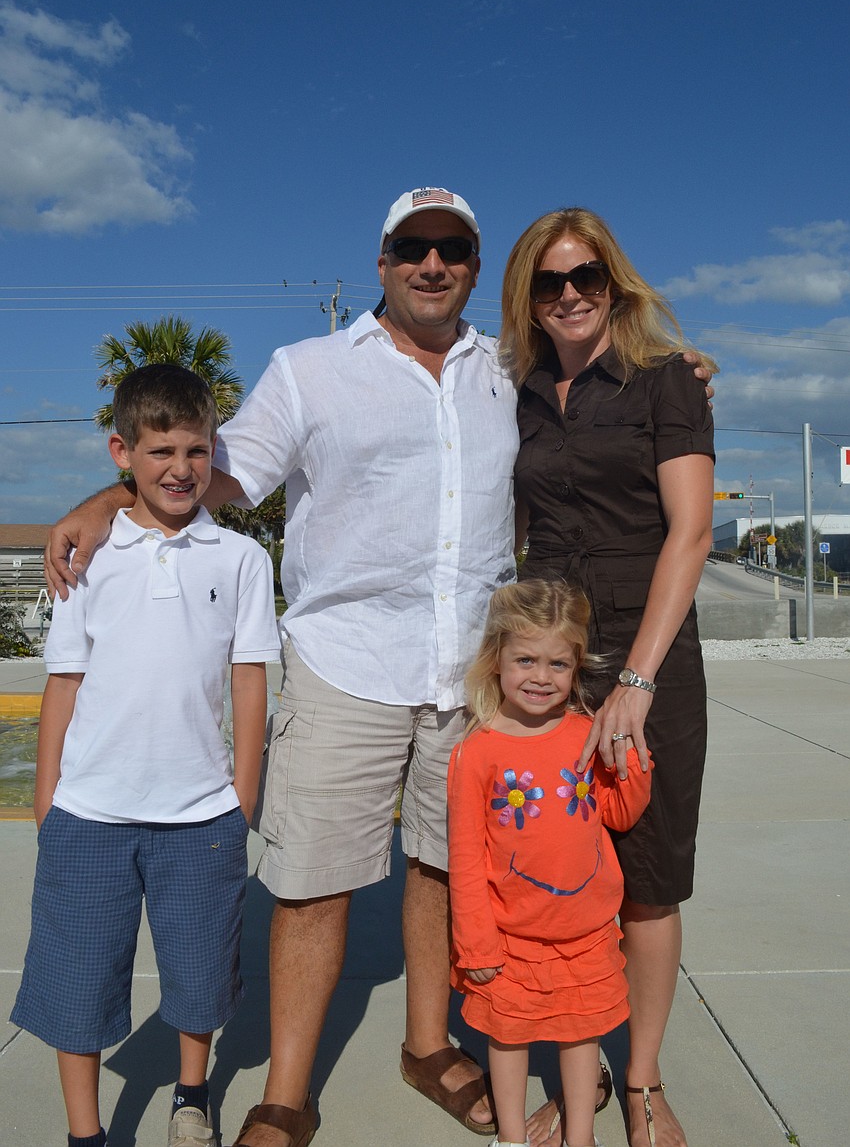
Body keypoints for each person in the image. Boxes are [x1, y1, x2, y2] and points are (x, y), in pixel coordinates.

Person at [44, 190, 712, 1147]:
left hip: (468, 676)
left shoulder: (509, 370)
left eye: (453, 248)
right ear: (384, 260)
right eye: (413, 247)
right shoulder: (310, 370)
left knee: (446, 866)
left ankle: (430, 1045)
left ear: (479, 268)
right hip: (343, 663)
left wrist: (683, 368)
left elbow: (616, 386)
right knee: (314, 881)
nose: (432, 264)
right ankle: (285, 1090)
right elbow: (215, 471)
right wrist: (109, 494)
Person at [13, 364, 280, 1147]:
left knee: (200, 978)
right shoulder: (85, 560)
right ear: (121, 451)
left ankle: (191, 1096)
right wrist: (45, 799)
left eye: (197, 449)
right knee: (77, 983)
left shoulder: (240, 561)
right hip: (89, 814)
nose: (180, 467)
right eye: (160, 449)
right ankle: (86, 1131)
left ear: (213, 452)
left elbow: (249, 682)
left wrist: (242, 797)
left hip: (200, 817)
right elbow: (63, 685)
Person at [500, 209, 715, 1147]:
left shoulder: (669, 380)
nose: (571, 294)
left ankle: (641, 1080)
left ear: (614, 282)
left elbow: (692, 532)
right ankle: (577, 1079)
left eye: (586, 276)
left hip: (648, 660)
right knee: (562, 880)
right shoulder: (520, 392)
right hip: (547, 664)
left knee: (648, 880)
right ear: (529, 299)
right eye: (550, 283)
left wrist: (636, 677)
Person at [449, 580, 652, 1147]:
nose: (541, 677)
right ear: (496, 662)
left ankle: (580, 1137)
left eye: (558, 664)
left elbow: (617, 813)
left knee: (581, 1035)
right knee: (508, 1038)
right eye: (525, 660)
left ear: (577, 666)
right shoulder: (478, 750)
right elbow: (466, 857)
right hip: (511, 937)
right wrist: (476, 941)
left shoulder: (587, 736)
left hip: (585, 933)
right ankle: (512, 1138)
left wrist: (633, 763)